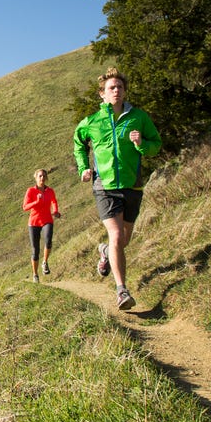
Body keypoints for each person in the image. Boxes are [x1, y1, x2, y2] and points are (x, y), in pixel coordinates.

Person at [73, 68, 161, 310]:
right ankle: (121, 290)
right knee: (117, 236)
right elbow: (78, 144)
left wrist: (142, 144)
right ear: (102, 94)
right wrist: (83, 168)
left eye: (120, 87)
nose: (116, 91)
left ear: (125, 91)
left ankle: (104, 251)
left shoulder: (138, 118)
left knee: (124, 240)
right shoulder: (91, 122)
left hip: (132, 185)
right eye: (111, 88)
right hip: (105, 186)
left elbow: (157, 145)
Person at [22, 169, 60, 280]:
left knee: (48, 241)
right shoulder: (30, 191)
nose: (42, 178)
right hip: (34, 222)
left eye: (44, 176)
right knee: (35, 250)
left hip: (47, 220)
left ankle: (45, 262)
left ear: (46, 178)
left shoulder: (50, 191)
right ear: (36, 178)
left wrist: (56, 211)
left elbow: (54, 201)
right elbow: (25, 207)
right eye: (40, 176)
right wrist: (36, 202)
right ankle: (35, 274)